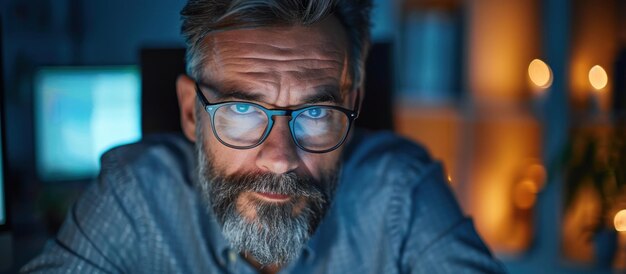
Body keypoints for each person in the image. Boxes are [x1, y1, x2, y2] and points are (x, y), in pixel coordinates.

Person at [22, 0, 505, 273]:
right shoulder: (137, 193)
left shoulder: (403, 189)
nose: (279, 159)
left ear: (352, 106)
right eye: (241, 108)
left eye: (315, 110)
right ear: (192, 113)